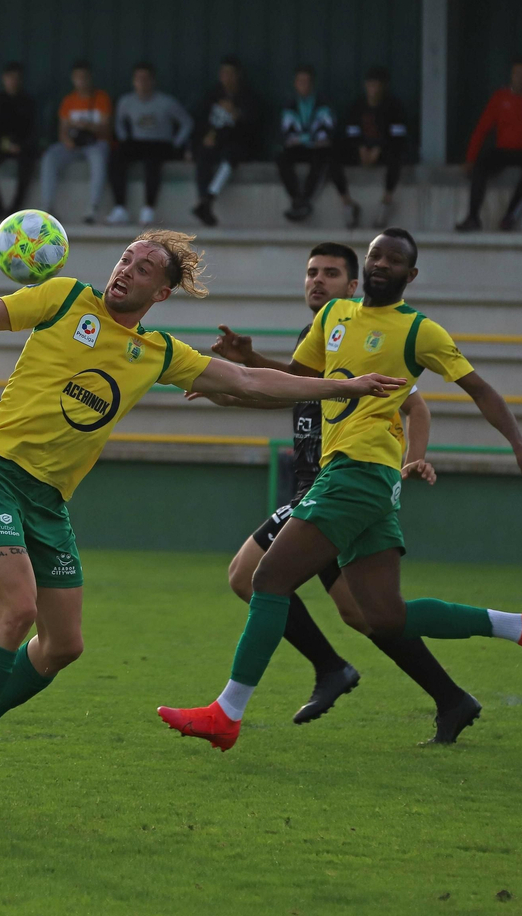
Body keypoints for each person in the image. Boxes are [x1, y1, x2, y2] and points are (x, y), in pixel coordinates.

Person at [0, 232, 405, 817]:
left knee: (64, 645)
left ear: (162, 291)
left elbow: (248, 383)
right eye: (126, 257)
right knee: (17, 610)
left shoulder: (158, 352)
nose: (127, 269)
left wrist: (344, 385)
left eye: (145, 266)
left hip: (50, 500)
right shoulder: (61, 297)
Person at [157, 228, 522, 755]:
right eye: (376, 255)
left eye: (394, 261)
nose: (381, 264)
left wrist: (521, 446)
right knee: (383, 616)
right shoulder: (331, 319)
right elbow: (297, 386)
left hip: (357, 472)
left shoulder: (419, 330)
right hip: (355, 478)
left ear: (410, 276)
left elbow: (479, 389)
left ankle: (227, 713)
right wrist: (241, 373)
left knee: (268, 580)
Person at [195, 243, 483, 745]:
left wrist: (414, 456)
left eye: (331, 274)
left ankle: (326, 670)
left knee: (251, 576)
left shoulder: (367, 336)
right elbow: (289, 393)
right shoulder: (320, 335)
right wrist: (231, 389)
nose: (317, 281)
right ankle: (448, 696)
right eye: (311, 272)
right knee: (366, 614)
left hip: (335, 487)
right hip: (325, 488)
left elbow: (415, 405)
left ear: (355, 287)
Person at [458, 58, 522, 232]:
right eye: (515, 74)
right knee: (481, 165)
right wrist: (470, 158)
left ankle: (510, 216)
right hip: (504, 150)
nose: (518, 78)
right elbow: (481, 129)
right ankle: (472, 217)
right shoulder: (500, 97)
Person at [107, 62, 192, 227]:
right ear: (133, 81)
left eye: (146, 79)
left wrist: (177, 143)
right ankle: (120, 209)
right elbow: (118, 122)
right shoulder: (126, 101)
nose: (142, 83)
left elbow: (187, 122)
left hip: (160, 143)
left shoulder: (167, 102)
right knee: (116, 157)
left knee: (152, 162)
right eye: (139, 79)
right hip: (136, 141)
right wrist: (124, 138)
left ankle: (148, 209)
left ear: (153, 81)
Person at [39, 59, 113, 222]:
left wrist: (88, 126)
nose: (81, 81)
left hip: (94, 143)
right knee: (50, 156)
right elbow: (63, 130)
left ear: (90, 78)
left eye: (84, 77)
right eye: (78, 77)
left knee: (99, 157)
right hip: (73, 145)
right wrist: (67, 140)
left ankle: (93, 208)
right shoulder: (69, 101)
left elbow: (106, 128)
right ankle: (47, 207)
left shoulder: (101, 98)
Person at [190, 56, 260, 227]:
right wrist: (204, 137)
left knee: (230, 156)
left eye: (230, 74)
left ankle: (208, 199)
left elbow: (253, 126)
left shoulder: (247, 97)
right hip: (214, 142)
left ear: (238, 75)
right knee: (203, 155)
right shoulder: (212, 95)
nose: (226, 78)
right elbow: (200, 121)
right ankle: (203, 200)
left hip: (235, 143)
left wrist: (237, 114)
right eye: (223, 74)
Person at [338, 67, 412, 228]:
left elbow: (398, 137)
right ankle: (347, 203)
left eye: (376, 85)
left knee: (396, 157)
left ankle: (386, 203)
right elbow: (351, 133)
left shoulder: (393, 106)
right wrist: (361, 148)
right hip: (362, 151)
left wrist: (378, 149)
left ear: (383, 87)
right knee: (332, 157)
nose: (372, 89)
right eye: (370, 85)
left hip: (384, 151)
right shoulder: (358, 105)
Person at [275, 65, 347, 226]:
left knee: (323, 156)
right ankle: (297, 200)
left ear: (312, 84)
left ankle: (305, 199)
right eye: (300, 81)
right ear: (295, 83)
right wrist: (308, 139)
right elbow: (288, 133)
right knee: (282, 157)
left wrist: (304, 139)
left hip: (317, 149)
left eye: (307, 82)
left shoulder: (323, 103)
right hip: (299, 148)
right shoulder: (290, 104)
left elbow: (326, 132)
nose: (303, 85)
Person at [0, 61, 38, 222]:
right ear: (3, 79)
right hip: (2, 147)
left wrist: (21, 146)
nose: (12, 82)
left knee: (27, 166)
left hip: (23, 147)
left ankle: (15, 209)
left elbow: (33, 130)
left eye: (16, 78)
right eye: (9, 78)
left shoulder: (28, 101)